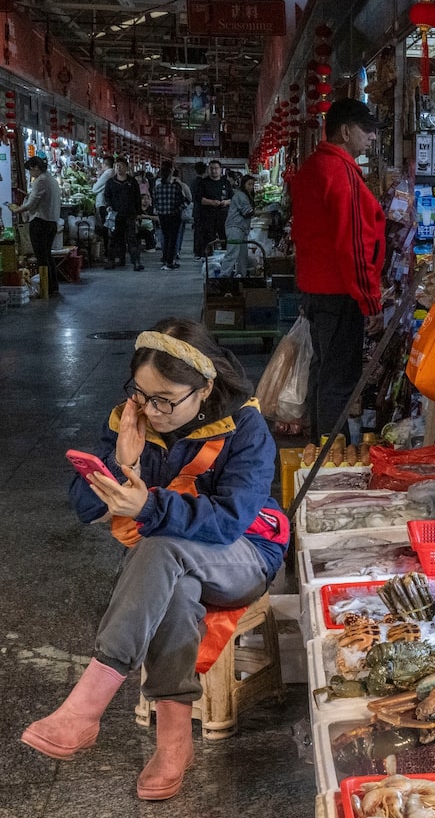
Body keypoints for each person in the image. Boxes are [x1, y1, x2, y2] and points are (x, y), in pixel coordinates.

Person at [20, 317, 289, 802]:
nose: (150, 409)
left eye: (165, 399)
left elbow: (229, 521)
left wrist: (146, 504)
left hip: (244, 555)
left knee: (160, 544)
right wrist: (125, 465)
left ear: (204, 389)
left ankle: (86, 704)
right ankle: (174, 743)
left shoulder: (246, 426)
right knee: (176, 586)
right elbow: (84, 507)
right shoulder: (131, 416)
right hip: (172, 567)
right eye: (141, 394)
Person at [290, 98, 386, 444]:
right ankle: (332, 455)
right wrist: (370, 302)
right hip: (339, 291)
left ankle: (322, 447)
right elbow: (355, 246)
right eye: (367, 130)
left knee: (324, 373)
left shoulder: (315, 167)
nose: (372, 137)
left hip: (319, 290)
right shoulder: (339, 172)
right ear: (345, 131)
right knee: (338, 380)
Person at [10, 156, 62, 296]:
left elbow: (31, 204)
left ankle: (46, 289)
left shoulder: (41, 180)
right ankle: (53, 287)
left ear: (35, 167)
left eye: (30, 170)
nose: (30, 173)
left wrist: (17, 209)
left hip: (40, 222)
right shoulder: (51, 179)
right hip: (51, 222)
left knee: (42, 257)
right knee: (47, 255)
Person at [104, 156, 144, 271]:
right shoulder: (111, 182)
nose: (118, 168)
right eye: (117, 166)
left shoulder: (132, 182)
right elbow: (107, 196)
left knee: (131, 239)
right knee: (114, 239)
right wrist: (108, 206)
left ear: (126, 168)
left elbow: (137, 198)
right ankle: (113, 260)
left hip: (129, 215)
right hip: (115, 215)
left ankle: (136, 262)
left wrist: (139, 213)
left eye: (121, 166)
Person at [220, 174, 255, 278]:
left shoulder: (245, 196)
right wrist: (264, 211)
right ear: (243, 184)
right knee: (232, 253)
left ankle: (240, 275)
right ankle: (224, 277)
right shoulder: (240, 195)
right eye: (249, 184)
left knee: (242, 255)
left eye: (253, 184)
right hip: (235, 228)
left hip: (242, 229)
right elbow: (247, 212)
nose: (251, 187)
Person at [153, 161, 185, 270]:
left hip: (162, 216)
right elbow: (183, 201)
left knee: (166, 238)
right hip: (174, 216)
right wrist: (178, 210)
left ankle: (165, 259)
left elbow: (155, 202)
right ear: (170, 174)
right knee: (173, 239)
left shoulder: (157, 188)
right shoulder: (175, 187)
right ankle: (170, 261)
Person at [199, 159, 233, 248]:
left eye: (216, 168)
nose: (214, 170)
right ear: (208, 169)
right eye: (212, 168)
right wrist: (211, 202)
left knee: (225, 238)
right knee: (209, 239)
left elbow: (232, 199)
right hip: (208, 216)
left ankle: (226, 258)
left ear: (220, 169)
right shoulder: (203, 182)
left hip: (223, 216)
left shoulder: (226, 182)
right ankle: (209, 258)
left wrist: (226, 202)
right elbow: (199, 199)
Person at [172, 167, 193, 259]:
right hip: (181, 212)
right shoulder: (183, 185)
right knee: (179, 233)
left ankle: (171, 251)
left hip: (168, 212)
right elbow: (190, 198)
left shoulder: (164, 184)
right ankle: (177, 251)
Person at [191, 161, 208, 261]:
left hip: (196, 210)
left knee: (197, 232)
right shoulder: (203, 182)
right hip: (204, 210)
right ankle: (202, 251)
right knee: (203, 232)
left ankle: (197, 252)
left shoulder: (194, 182)